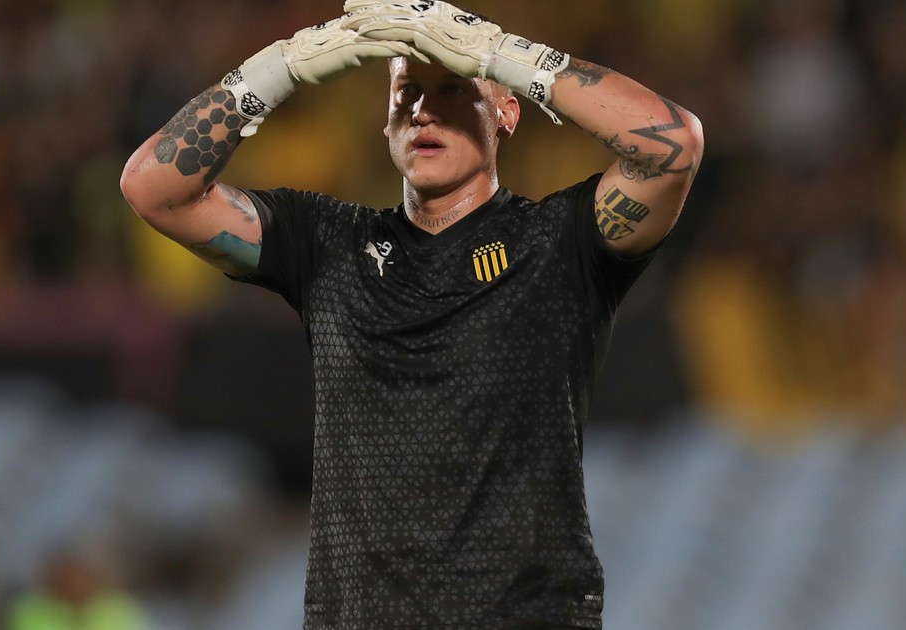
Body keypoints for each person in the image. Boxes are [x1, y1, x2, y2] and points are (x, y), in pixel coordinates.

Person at [120, 2, 703, 627]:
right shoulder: (327, 244)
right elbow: (154, 189)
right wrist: (282, 65)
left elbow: (672, 145)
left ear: (507, 113)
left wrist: (503, 55)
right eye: (406, 95)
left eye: (453, 90)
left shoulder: (560, 243)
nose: (424, 110)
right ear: (387, 126)